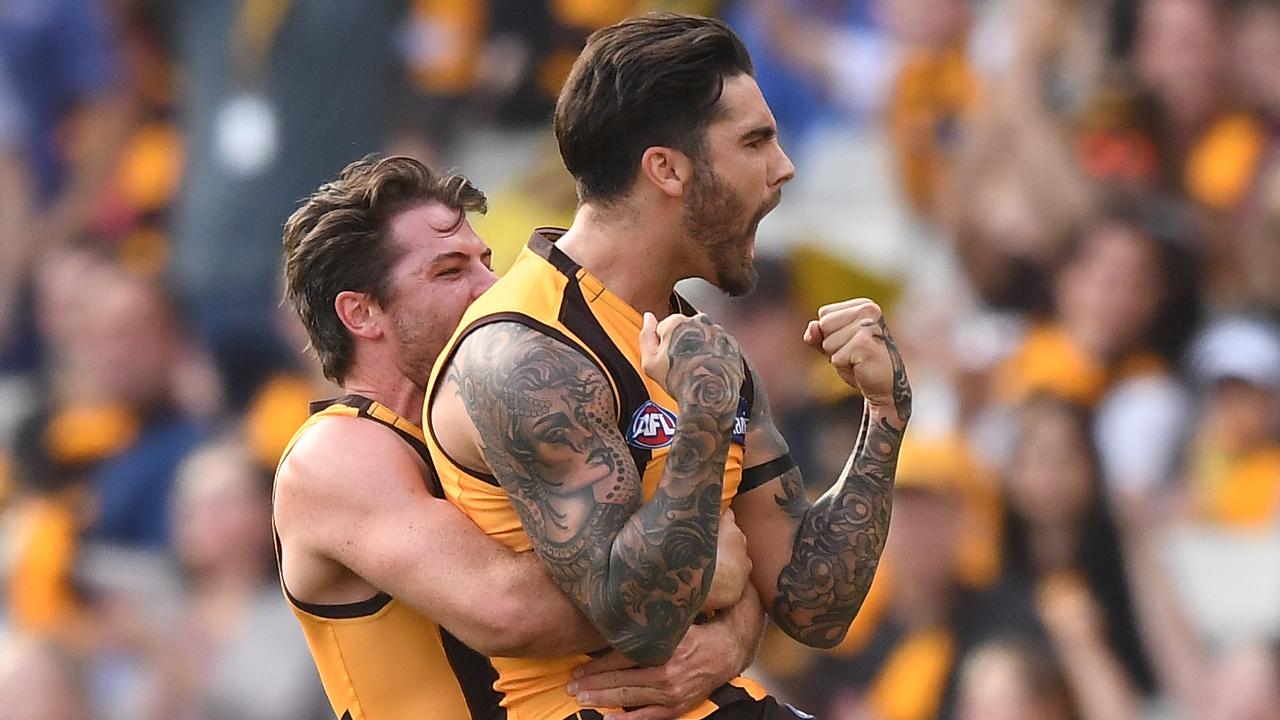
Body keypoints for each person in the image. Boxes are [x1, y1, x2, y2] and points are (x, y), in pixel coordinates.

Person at [427, 12, 911, 719]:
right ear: (667, 169)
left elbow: (813, 608)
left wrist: (886, 416)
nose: (784, 167)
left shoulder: (699, 346)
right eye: (755, 141)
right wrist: (707, 421)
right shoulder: (524, 355)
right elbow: (641, 621)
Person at [275, 155, 764, 720]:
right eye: (451, 271)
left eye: (487, 262)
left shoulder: (519, 420)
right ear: (361, 313)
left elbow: (736, 549)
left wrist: (727, 643)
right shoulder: (337, 455)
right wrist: (700, 570)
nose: (492, 287)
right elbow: (509, 613)